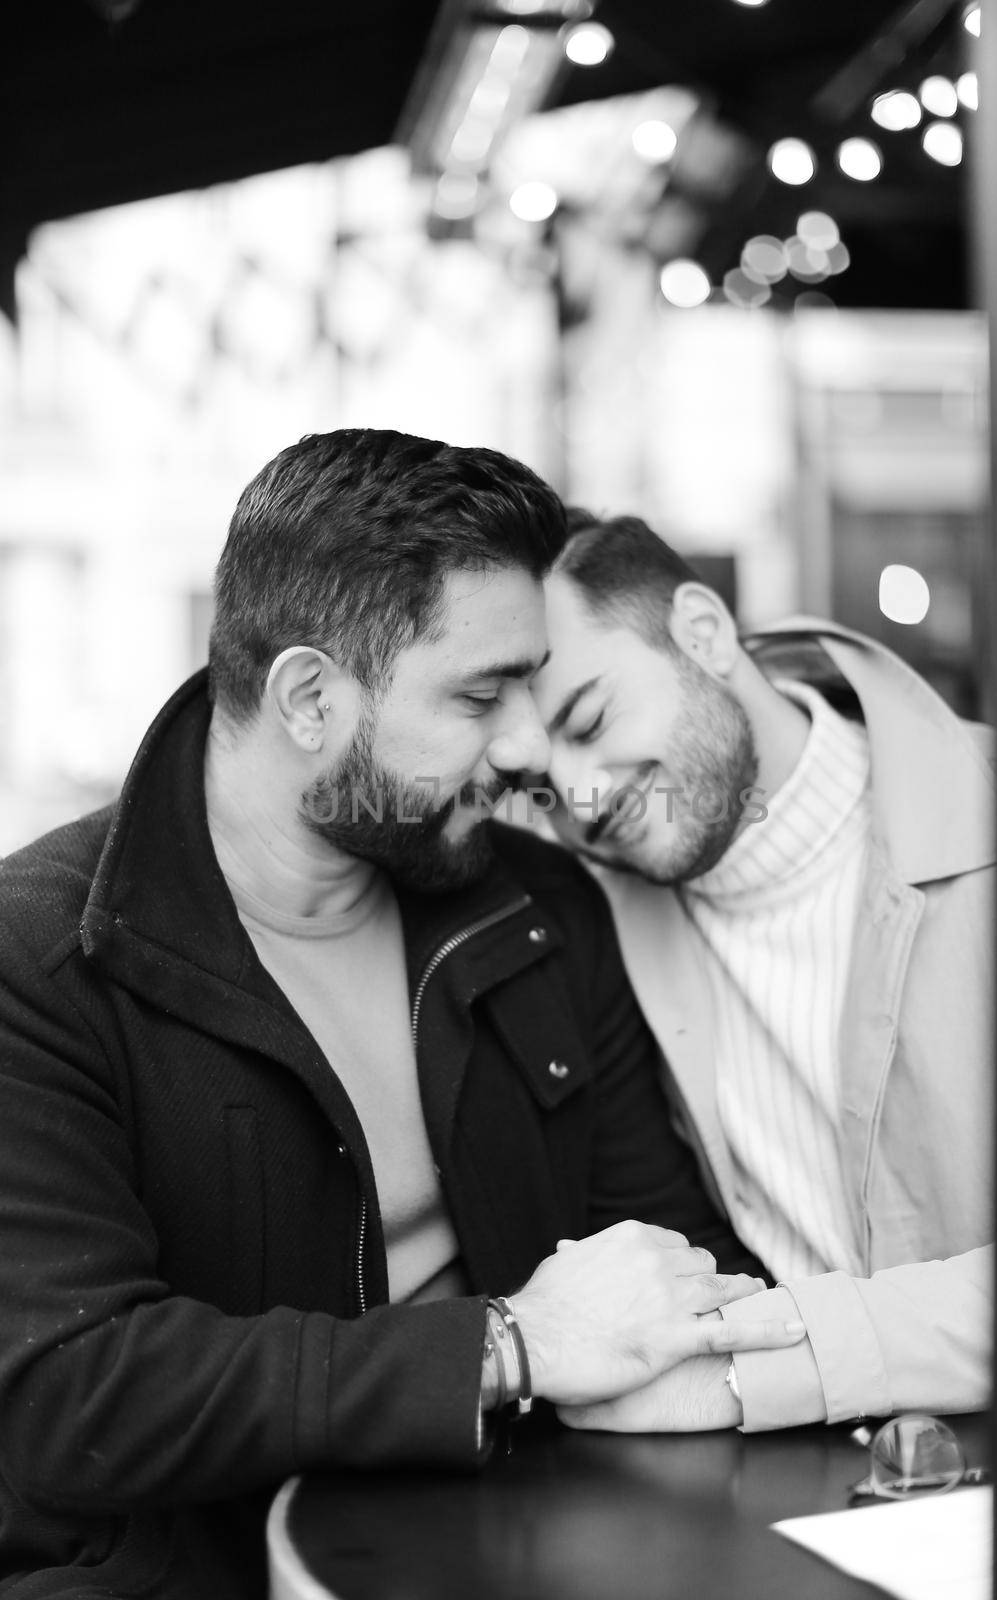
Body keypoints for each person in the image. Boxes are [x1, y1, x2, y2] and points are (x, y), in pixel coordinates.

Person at [0, 435, 801, 1599]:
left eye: (529, 684)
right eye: (480, 695)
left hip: (533, 1551)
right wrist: (506, 1347)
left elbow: (672, 1263)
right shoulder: (41, 957)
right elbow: (65, 1390)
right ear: (311, 697)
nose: (527, 747)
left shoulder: (536, 908)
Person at [529, 509, 994, 1436]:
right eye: (538, 784)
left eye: (589, 719)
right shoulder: (596, 915)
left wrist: (748, 1378)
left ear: (703, 632)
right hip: (826, 1496)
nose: (577, 798)